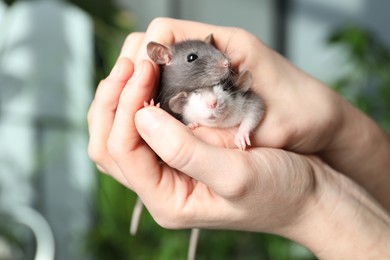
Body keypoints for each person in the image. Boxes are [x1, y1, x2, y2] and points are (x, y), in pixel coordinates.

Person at [87, 18, 390, 259]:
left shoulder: (231, 94)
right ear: (162, 57)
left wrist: (310, 198)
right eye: (194, 57)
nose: (224, 62)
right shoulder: (178, 96)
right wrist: (340, 129)